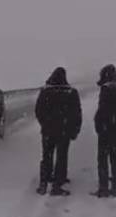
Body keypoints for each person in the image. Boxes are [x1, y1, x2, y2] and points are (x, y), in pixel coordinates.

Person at [34, 67, 82, 196]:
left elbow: (38, 110)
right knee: (62, 156)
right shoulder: (71, 92)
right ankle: (57, 184)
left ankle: (44, 182)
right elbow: (76, 113)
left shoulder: (45, 91)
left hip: (48, 130)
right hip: (64, 131)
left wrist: (44, 123)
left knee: (46, 156)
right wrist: (75, 129)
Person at [93, 64, 116, 197]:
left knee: (103, 159)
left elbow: (102, 111)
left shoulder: (106, 89)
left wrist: (99, 126)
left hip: (106, 130)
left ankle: (103, 188)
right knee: (115, 158)